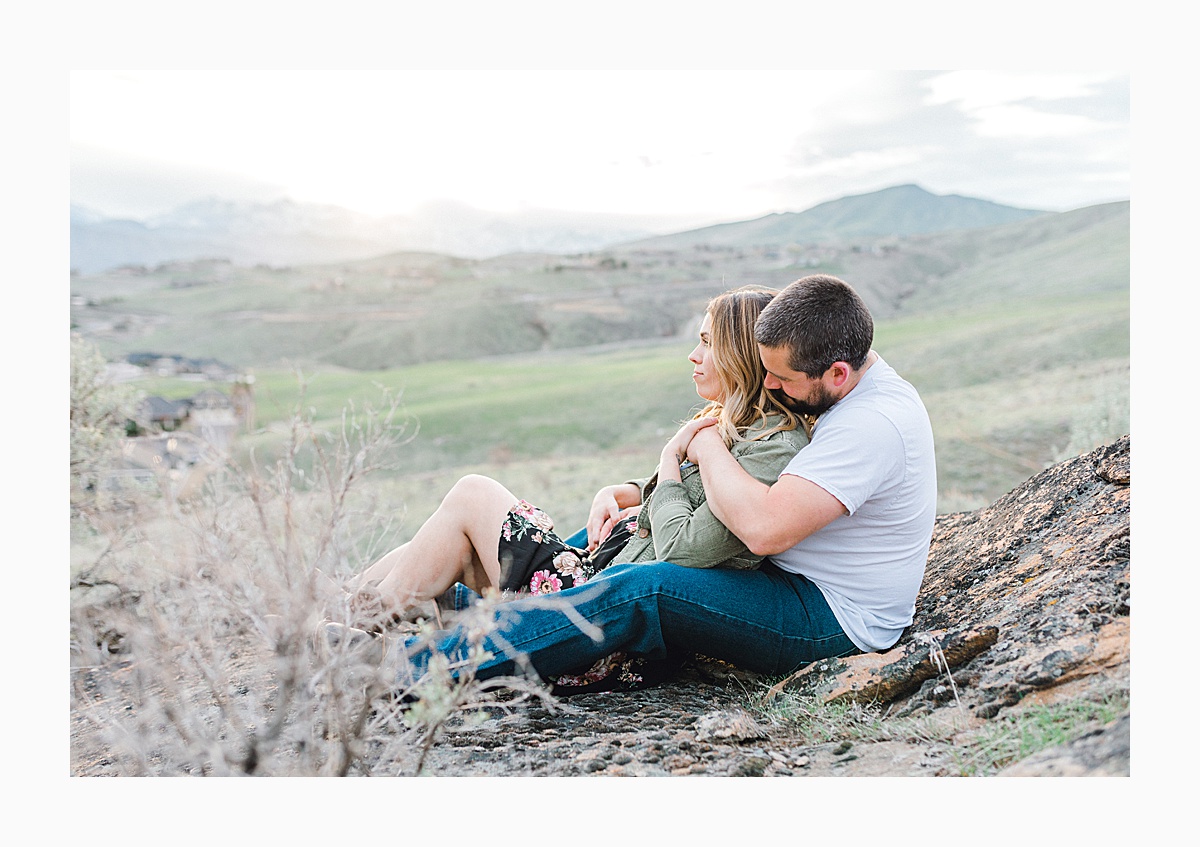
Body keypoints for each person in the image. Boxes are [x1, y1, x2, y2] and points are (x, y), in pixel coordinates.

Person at [383, 274, 937, 693]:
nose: (771, 384)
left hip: (828, 614)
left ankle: (402, 669)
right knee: (579, 544)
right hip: (788, 576)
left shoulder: (870, 423)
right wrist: (636, 487)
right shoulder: (842, 383)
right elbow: (740, 481)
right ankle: (347, 618)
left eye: (783, 378)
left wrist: (699, 445)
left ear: (837, 373)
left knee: (647, 587)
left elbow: (765, 527)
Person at [331, 285, 812, 659]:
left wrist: (671, 464)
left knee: (474, 494)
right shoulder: (730, 427)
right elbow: (683, 505)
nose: (693, 355)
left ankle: (357, 624)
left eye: (707, 343)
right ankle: (347, 607)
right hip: (595, 573)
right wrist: (631, 490)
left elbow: (682, 547)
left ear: (739, 356)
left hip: (595, 609)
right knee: (437, 545)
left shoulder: (768, 448)